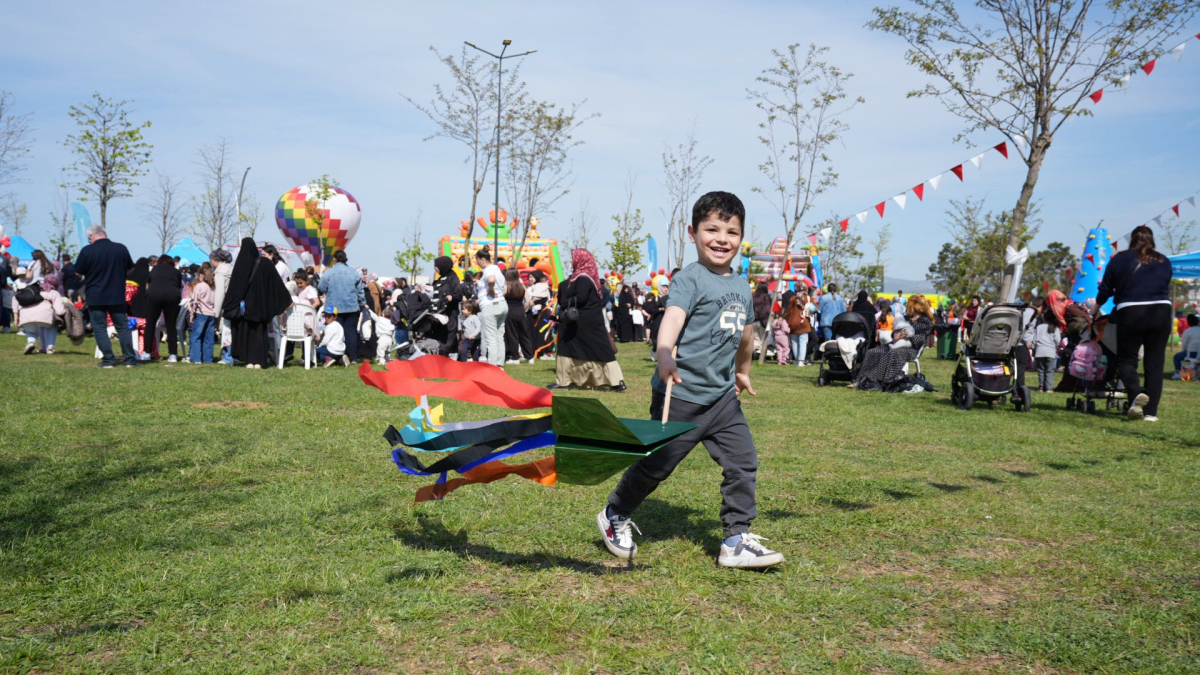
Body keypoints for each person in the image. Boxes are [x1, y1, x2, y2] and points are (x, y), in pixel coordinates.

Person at [601, 190, 782, 569]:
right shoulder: (690, 279)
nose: (721, 238)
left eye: (731, 232)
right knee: (656, 467)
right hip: (680, 395)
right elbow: (673, 318)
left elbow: (746, 335)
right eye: (711, 229)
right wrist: (665, 353)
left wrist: (743, 371)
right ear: (692, 232)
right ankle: (614, 514)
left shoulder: (742, 285)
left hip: (721, 399)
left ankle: (735, 539)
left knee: (743, 461)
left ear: (741, 237)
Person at [1095, 225, 1173, 421]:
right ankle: (1150, 413)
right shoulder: (1163, 260)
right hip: (1161, 311)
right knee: (1155, 364)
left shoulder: (1120, 259)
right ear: (1151, 240)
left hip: (1131, 312)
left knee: (1125, 360)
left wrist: (1095, 309)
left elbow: (1105, 289)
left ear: (1132, 239)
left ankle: (1136, 392)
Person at [552, 248, 625, 391]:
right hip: (584, 321)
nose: (572, 261)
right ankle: (564, 381)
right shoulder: (582, 277)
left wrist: (565, 303)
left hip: (585, 321)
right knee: (570, 348)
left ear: (581, 260)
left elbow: (581, 298)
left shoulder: (583, 278)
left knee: (599, 349)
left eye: (574, 258)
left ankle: (616, 382)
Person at [73, 225, 139, 368]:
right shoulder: (121, 248)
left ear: (91, 236)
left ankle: (108, 359)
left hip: (95, 294)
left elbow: (78, 271)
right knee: (122, 327)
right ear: (104, 234)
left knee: (100, 327)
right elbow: (130, 268)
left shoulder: (87, 250)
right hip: (116, 293)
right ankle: (130, 359)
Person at [223, 238, 293, 369]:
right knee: (260, 332)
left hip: (244, 308)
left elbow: (234, 288)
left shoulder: (240, 264)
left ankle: (249, 360)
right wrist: (287, 300)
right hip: (261, 306)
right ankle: (260, 361)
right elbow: (276, 284)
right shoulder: (265, 263)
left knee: (246, 333)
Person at [854, 294, 935, 390]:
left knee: (892, 353)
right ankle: (862, 379)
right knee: (873, 351)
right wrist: (896, 335)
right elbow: (894, 333)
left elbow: (918, 341)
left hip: (912, 349)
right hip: (896, 343)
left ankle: (882, 381)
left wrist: (907, 335)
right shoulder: (906, 318)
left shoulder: (925, 322)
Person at [317, 250, 365, 362]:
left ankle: (335, 355)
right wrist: (362, 303)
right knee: (351, 332)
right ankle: (352, 357)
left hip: (334, 308)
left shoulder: (329, 273)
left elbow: (321, 288)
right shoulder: (354, 273)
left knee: (335, 332)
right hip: (351, 307)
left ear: (334, 259)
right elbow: (360, 291)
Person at [13, 273, 66, 354]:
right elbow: (60, 311)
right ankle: (50, 347)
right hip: (44, 316)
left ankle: (31, 342)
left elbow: (15, 298)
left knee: (31, 330)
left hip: (25, 316)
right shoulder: (54, 292)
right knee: (52, 324)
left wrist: (16, 315)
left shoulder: (33, 289)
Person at [145, 254, 184, 362]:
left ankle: (147, 352)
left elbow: (149, 284)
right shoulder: (176, 271)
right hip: (172, 296)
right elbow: (178, 285)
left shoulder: (154, 269)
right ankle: (173, 354)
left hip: (154, 295)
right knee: (171, 325)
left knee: (150, 324)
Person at [473, 247, 507, 366]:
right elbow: (505, 288)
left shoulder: (488, 270)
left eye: (477, 261)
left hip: (490, 306)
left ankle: (493, 366)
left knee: (491, 338)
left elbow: (491, 280)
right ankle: (500, 365)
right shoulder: (497, 268)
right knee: (499, 337)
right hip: (502, 304)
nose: (477, 263)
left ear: (482, 260)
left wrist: (491, 291)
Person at [1023, 303, 1061, 392]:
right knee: (1050, 370)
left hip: (1039, 351)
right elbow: (1058, 340)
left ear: (1045, 318)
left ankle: (1041, 386)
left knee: (1041, 370)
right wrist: (1056, 346)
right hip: (1050, 351)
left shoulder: (1039, 327)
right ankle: (1048, 387)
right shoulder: (1055, 328)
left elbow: (1034, 338)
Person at [430, 256, 462, 356]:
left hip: (449, 314)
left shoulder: (452, 277)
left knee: (448, 339)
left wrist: (451, 297)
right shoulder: (440, 279)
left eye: (437, 266)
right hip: (438, 314)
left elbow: (459, 294)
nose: (435, 269)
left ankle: (448, 358)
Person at [210, 249, 235, 365]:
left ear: (216, 260)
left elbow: (219, 294)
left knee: (225, 330)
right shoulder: (230, 268)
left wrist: (216, 313)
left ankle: (228, 357)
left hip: (225, 306)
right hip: (233, 305)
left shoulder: (220, 272)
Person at [188, 267, 217, 363]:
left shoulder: (199, 286)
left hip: (201, 313)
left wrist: (192, 314)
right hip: (211, 313)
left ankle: (196, 358)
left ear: (201, 275)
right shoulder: (213, 286)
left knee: (196, 336)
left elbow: (195, 301)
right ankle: (208, 359)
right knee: (209, 338)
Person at [503, 269, 532, 363]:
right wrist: (523, 310)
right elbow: (527, 301)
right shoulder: (522, 286)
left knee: (512, 334)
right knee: (523, 333)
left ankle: (515, 357)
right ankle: (529, 357)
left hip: (510, 311)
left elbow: (501, 298)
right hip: (520, 311)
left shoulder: (507, 287)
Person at [1173, 314, 1199, 379]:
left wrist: (1184, 350)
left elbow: (1184, 344)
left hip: (1191, 353)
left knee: (1176, 357)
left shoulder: (1187, 331)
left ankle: (1177, 373)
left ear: (1188, 323)